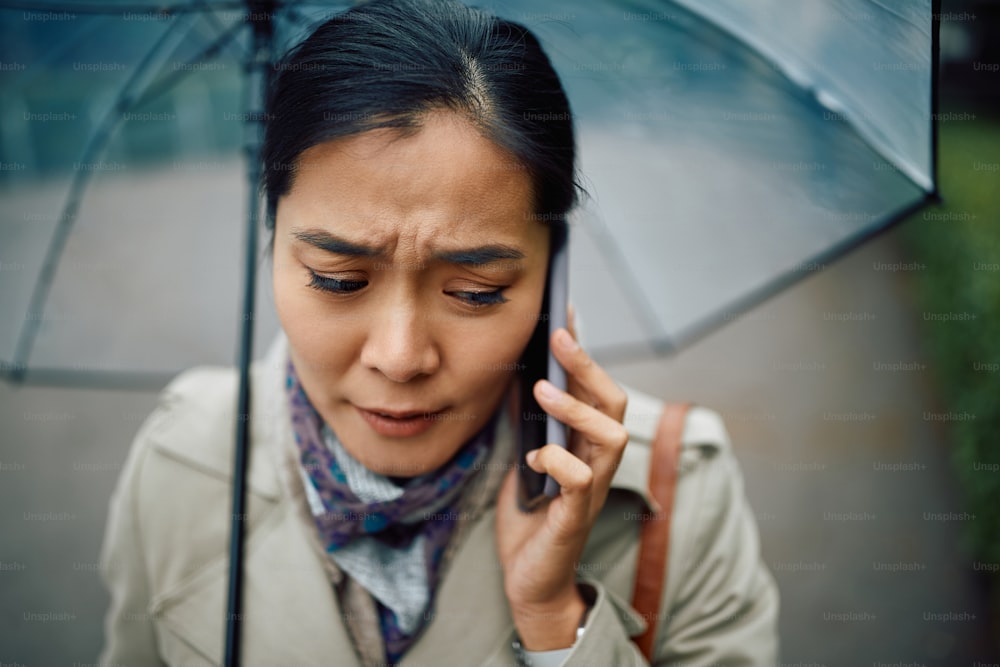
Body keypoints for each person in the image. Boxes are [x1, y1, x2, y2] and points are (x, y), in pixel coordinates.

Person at [99, 0, 779, 664]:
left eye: (474, 292)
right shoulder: (182, 455)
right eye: (339, 279)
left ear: (554, 280)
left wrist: (556, 624)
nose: (400, 358)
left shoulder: (680, 492)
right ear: (274, 244)